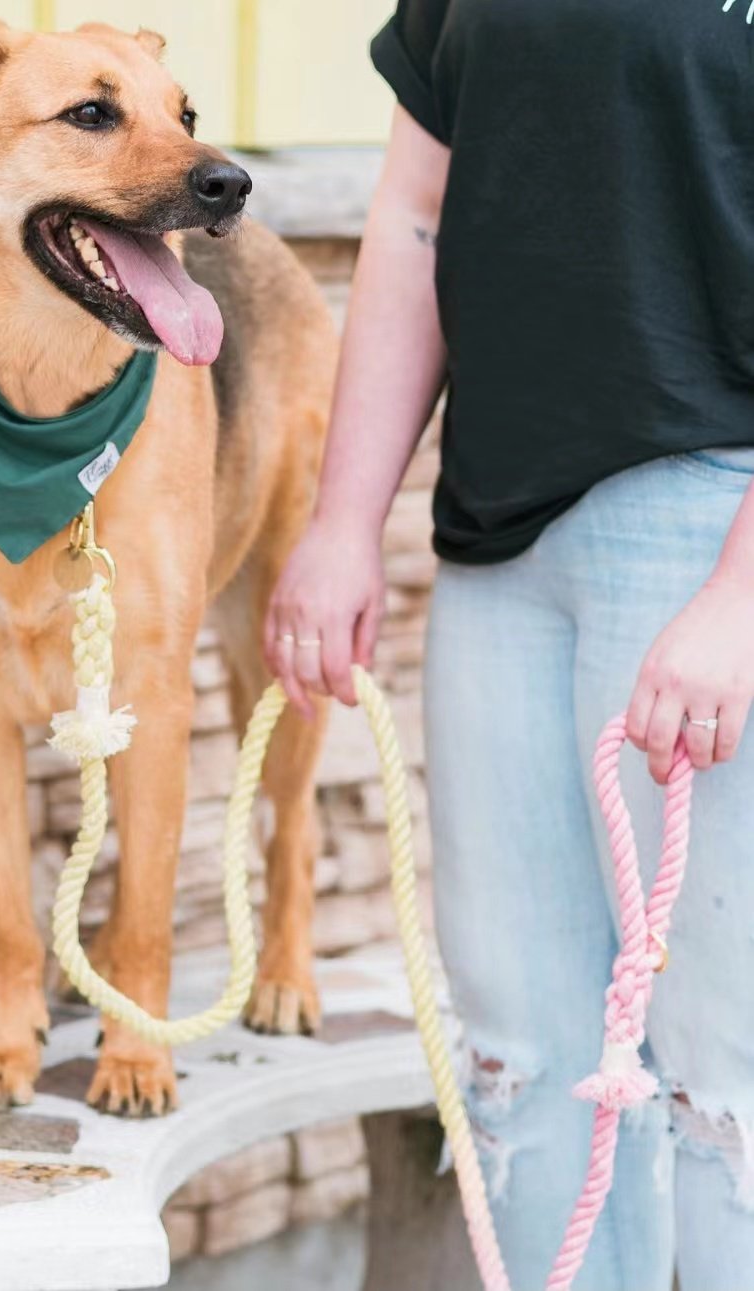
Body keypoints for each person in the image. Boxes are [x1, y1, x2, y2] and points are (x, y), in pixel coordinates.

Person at [264, 3, 754, 1288]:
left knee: (726, 1076)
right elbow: (414, 217)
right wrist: (340, 522)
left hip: (709, 525)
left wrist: (742, 595)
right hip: (497, 549)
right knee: (519, 1057)